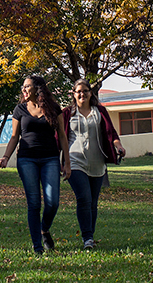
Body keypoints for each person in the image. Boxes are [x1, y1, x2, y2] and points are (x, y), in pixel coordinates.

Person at [0, 75, 71, 254]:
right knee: (34, 203)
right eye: (23, 87)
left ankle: (44, 229)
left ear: (38, 88)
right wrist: (5, 157)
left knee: (52, 202)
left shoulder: (53, 108)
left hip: (50, 158)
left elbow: (62, 135)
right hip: (27, 159)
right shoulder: (20, 109)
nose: (24, 90)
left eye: (27, 86)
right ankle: (37, 246)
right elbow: (14, 137)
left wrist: (67, 162)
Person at [62, 79, 125, 249]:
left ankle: (90, 235)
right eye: (78, 91)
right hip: (75, 162)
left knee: (93, 202)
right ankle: (87, 238)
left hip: (97, 163)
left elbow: (111, 133)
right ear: (73, 94)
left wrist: (119, 146)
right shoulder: (67, 113)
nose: (82, 94)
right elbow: (59, 137)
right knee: (84, 198)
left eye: (85, 91)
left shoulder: (100, 112)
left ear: (91, 93)